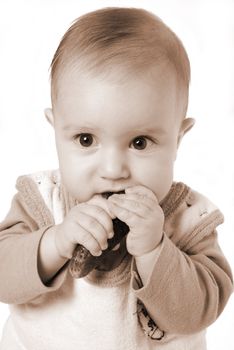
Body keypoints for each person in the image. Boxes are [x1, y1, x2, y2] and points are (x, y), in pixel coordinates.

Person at [0, 7, 232, 350]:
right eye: (85, 139)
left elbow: (199, 311)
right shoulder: (42, 201)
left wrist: (155, 250)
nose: (112, 169)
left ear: (178, 140)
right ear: (55, 130)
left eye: (139, 142)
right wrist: (55, 241)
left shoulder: (186, 219)